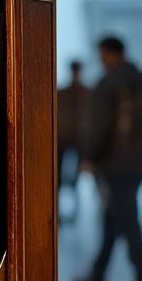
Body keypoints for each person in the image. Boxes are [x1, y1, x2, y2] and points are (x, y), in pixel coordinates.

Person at [74, 36, 142, 281]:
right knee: (113, 220)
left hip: (114, 163)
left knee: (127, 222)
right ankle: (98, 275)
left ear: (108, 53)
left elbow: (100, 125)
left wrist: (89, 155)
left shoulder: (109, 83)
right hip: (138, 161)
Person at [55, 60, 89, 223]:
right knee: (59, 177)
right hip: (65, 138)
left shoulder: (85, 93)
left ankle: (72, 212)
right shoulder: (65, 93)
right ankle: (60, 211)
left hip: (76, 138)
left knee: (75, 178)